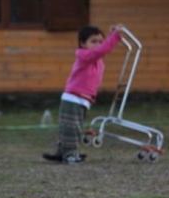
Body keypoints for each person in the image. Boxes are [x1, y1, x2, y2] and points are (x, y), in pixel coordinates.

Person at [42, 23, 124, 164]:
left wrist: (111, 36)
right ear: (82, 43)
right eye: (93, 41)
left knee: (74, 127)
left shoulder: (96, 60)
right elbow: (101, 51)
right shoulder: (84, 56)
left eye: (100, 41)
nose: (98, 44)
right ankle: (70, 154)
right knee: (70, 128)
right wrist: (115, 37)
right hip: (73, 98)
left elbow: (101, 51)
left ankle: (62, 151)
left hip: (83, 100)